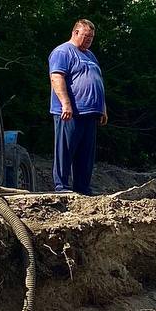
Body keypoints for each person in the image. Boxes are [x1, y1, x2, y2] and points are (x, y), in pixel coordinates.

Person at [49, 18, 107, 195]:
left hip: (91, 113)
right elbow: (57, 77)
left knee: (86, 154)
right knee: (65, 150)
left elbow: (98, 81)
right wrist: (66, 103)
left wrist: (103, 107)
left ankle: (82, 188)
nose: (89, 40)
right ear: (75, 32)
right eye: (86, 36)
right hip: (70, 112)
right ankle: (61, 186)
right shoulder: (63, 52)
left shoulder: (90, 55)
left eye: (91, 37)